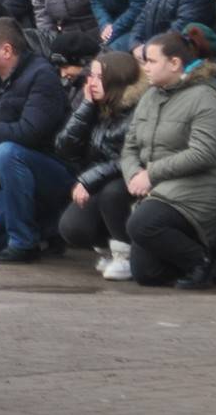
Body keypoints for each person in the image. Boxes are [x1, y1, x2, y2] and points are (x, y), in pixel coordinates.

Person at [121, 31, 216, 288]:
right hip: (160, 187)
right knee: (146, 274)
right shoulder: (150, 96)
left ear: (174, 63)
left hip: (200, 185)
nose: (145, 67)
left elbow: (203, 153)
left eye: (151, 61)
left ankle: (202, 262)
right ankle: (214, 247)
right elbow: (129, 146)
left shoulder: (205, 98)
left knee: (140, 224)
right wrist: (133, 176)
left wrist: (150, 174)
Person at [0, 17, 72, 262]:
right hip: (9, 183)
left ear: (7, 50)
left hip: (51, 173)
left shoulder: (42, 76)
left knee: (7, 151)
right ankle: (43, 229)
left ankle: (24, 243)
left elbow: (28, 132)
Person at [54, 51, 147, 280]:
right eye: (91, 75)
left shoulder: (136, 108)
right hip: (97, 177)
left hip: (128, 177)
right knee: (72, 228)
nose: (90, 82)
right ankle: (105, 248)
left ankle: (124, 254)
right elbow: (64, 146)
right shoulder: (98, 106)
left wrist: (89, 179)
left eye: (98, 77)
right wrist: (86, 106)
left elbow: (126, 157)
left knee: (112, 192)